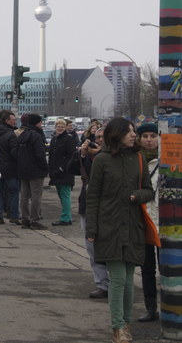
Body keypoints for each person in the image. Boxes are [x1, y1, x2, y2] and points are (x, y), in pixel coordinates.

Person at [86, 118, 153, 343]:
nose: (134, 135)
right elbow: (93, 196)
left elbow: (149, 190)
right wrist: (92, 228)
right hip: (109, 226)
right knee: (118, 279)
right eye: (129, 131)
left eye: (134, 131)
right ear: (117, 134)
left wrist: (137, 195)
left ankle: (126, 323)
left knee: (129, 280)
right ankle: (118, 327)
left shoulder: (139, 158)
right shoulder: (102, 160)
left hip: (133, 226)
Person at [77, 127, 109, 299]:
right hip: (87, 206)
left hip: (108, 208)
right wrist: (82, 155)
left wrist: (99, 155)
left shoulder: (113, 156)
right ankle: (102, 284)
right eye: (97, 137)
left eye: (103, 137)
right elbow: (72, 169)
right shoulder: (89, 156)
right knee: (92, 248)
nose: (100, 140)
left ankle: (115, 282)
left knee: (110, 247)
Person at [136, 122, 160, 322]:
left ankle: (172, 305)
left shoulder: (169, 159)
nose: (149, 140)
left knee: (169, 267)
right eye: (145, 136)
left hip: (167, 222)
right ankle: (151, 307)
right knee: (147, 268)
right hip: (143, 220)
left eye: (153, 136)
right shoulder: (135, 160)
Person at [16, 114, 49, 230]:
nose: (41, 124)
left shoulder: (22, 134)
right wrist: (45, 167)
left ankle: (25, 219)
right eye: (40, 122)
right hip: (36, 170)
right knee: (36, 196)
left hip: (23, 169)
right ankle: (35, 219)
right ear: (36, 123)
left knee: (24, 196)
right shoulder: (37, 136)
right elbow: (40, 155)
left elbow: (16, 152)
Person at [0, 110, 21, 225]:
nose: (14, 122)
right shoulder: (11, 134)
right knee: (13, 191)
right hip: (10, 168)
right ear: (7, 120)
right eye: (13, 120)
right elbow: (14, 153)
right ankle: (14, 215)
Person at [48, 119, 77, 227]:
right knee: (61, 195)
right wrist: (50, 169)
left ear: (65, 128)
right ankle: (66, 216)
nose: (60, 128)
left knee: (65, 195)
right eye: (58, 126)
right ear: (55, 127)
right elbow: (51, 156)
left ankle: (66, 218)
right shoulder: (54, 139)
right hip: (55, 172)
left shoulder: (68, 139)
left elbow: (71, 156)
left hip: (65, 172)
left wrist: (61, 168)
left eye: (62, 126)